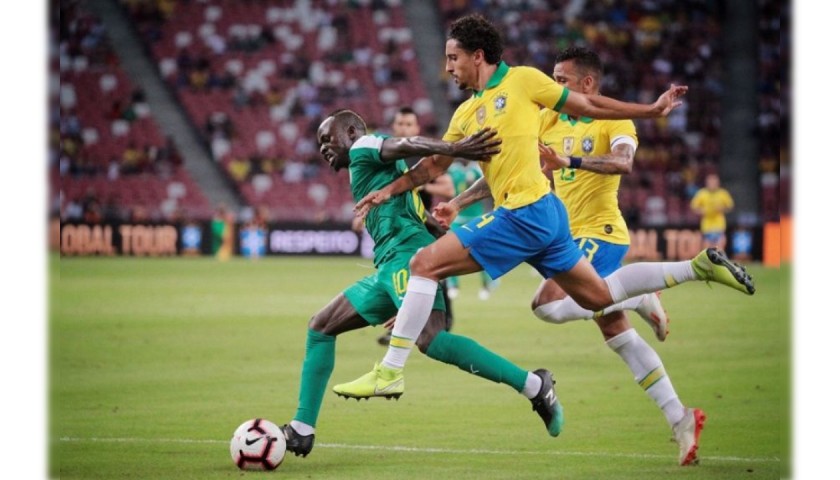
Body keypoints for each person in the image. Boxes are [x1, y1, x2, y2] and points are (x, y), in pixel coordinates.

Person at [334, 14, 754, 444]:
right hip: (551, 214)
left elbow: (589, 106)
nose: (448, 67)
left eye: (453, 57)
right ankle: (696, 268)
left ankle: (391, 370)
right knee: (598, 297)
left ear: (477, 56)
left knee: (424, 263)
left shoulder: (523, 82)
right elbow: (434, 166)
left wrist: (651, 109)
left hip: (524, 213)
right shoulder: (466, 114)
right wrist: (393, 191)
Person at [281, 109, 567, 458]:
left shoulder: (363, 146)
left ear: (352, 131)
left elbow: (409, 143)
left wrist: (458, 146)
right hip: (389, 268)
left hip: (405, 260)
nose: (324, 147)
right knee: (321, 326)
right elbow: (421, 219)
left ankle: (534, 386)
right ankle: (301, 429)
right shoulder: (378, 174)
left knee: (431, 339)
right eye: (319, 143)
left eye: (328, 138)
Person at [508, 45, 704, 466]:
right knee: (616, 334)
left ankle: (637, 296)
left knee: (546, 304)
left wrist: (570, 160)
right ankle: (680, 418)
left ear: (587, 84)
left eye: (560, 80)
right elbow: (517, 167)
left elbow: (623, 164)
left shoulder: (614, 119)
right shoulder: (548, 118)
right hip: (565, 238)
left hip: (602, 233)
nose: (553, 87)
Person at [374, 106, 455, 346]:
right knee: (396, 277)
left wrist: (419, 186)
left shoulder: (423, 159)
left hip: (424, 227)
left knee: (433, 276)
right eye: (401, 124)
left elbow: (449, 188)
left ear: (417, 128)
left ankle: (443, 321)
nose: (404, 128)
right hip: (395, 228)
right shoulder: (389, 157)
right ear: (394, 127)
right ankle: (398, 327)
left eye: (409, 124)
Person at [421, 159, 499, 300]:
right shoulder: (454, 169)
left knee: (481, 252)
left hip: (476, 218)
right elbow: (445, 184)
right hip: (457, 219)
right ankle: (453, 285)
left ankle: (487, 284)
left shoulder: (478, 168)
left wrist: (424, 187)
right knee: (450, 252)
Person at [690, 172, 735, 251]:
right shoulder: (702, 193)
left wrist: (722, 209)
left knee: (720, 245)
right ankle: (708, 262)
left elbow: (730, 206)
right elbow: (693, 207)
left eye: (714, 182)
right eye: (710, 182)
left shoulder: (723, 193)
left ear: (718, 183)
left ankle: (719, 260)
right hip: (707, 224)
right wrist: (701, 211)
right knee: (707, 247)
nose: (712, 184)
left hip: (719, 223)